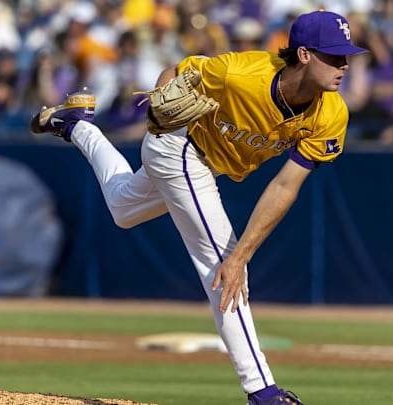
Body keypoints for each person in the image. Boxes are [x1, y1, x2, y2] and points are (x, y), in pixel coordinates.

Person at [30, 9, 366, 405]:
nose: (344, 64)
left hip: (212, 165)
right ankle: (262, 391)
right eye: (334, 56)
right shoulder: (241, 72)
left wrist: (246, 253)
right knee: (222, 266)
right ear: (305, 55)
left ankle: (77, 126)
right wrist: (158, 105)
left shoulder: (331, 114)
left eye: (346, 56)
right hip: (180, 146)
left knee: (123, 209)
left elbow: (285, 185)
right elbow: (175, 72)